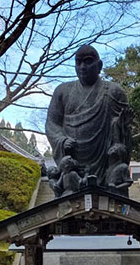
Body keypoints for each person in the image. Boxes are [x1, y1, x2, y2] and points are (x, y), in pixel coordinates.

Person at [45, 45, 132, 189]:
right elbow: (52, 124)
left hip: (104, 159)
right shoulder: (62, 91)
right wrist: (62, 140)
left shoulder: (114, 91)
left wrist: (122, 124)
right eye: (78, 62)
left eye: (88, 61)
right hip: (74, 159)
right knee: (71, 183)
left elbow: (123, 133)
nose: (82, 67)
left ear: (99, 65)